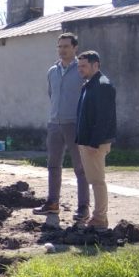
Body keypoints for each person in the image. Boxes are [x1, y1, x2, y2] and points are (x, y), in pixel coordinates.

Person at [33, 32, 89, 220]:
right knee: (53, 165)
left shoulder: (81, 70)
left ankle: (83, 208)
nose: (62, 50)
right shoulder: (52, 71)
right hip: (54, 124)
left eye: (66, 46)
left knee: (80, 167)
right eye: (60, 46)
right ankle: (52, 203)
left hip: (75, 124)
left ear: (75, 48)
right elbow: (52, 95)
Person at [75, 50, 117, 229]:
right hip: (87, 142)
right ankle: (98, 217)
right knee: (93, 180)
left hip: (95, 144)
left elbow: (104, 118)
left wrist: (94, 143)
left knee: (98, 181)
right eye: (79, 66)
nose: (80, 69)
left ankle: (100, 219)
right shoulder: (90, 85)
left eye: (84, 66)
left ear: (96, 65)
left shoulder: (102, 85)